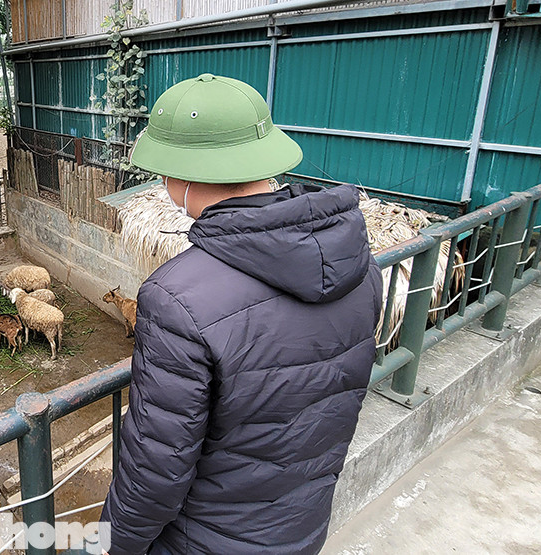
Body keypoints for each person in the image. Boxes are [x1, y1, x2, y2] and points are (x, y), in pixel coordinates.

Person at [98, 74, 383, 555]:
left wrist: (107, 544)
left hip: (206, 539)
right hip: (303, 523)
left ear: (181, 176)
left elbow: (155, 468)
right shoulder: (358, 264)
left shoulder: (175, 299)